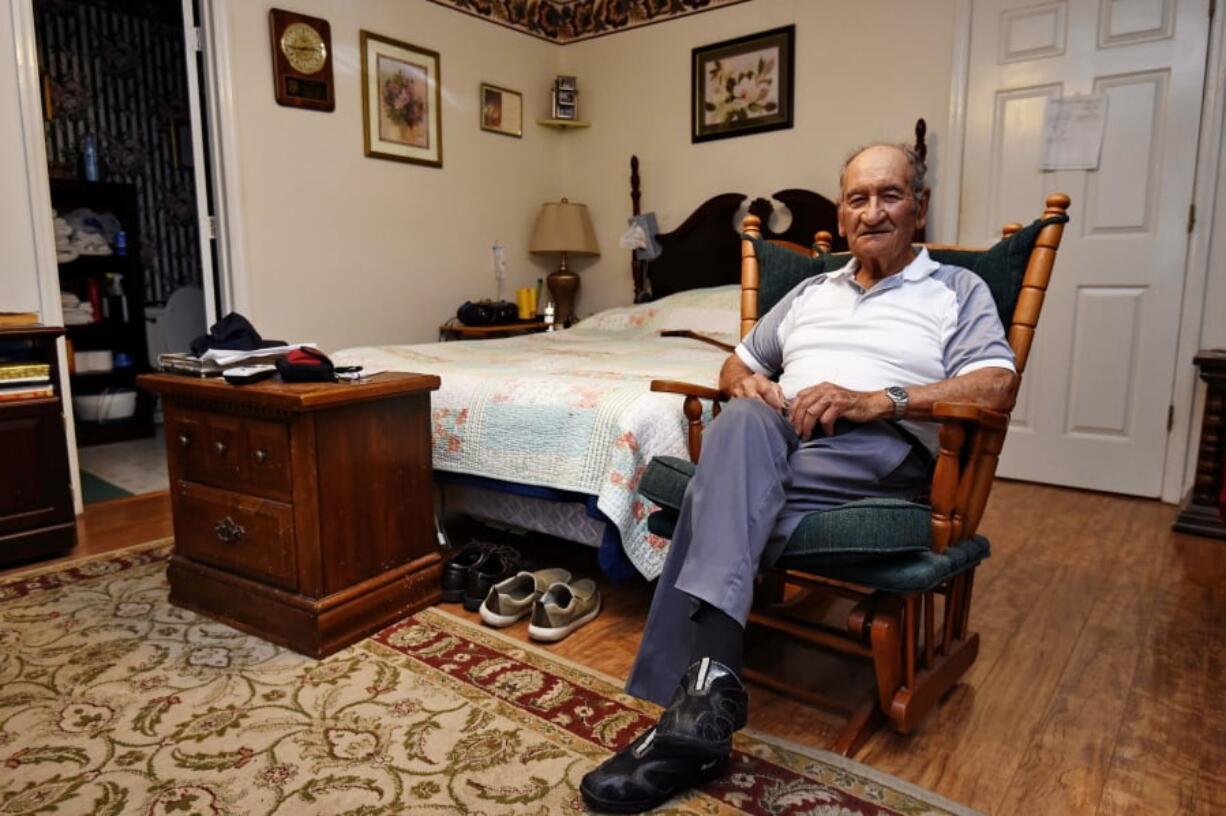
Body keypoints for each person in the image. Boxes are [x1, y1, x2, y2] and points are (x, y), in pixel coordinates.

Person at [580, 143, 1018, 813]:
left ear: (919, 207)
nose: (872, 212)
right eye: (857, 199)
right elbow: (736, 364)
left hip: (877, 446)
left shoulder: (956, 288)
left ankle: (689, 715)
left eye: (889, 195)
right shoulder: (813, 291)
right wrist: (749, 383)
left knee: (715, 492)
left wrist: (881, 400)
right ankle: (709, 701)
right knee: (739, 423)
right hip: (783, 439)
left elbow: (995, 384)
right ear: (842, 215)